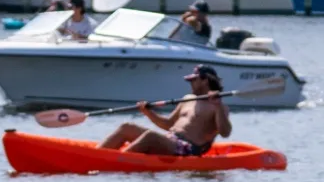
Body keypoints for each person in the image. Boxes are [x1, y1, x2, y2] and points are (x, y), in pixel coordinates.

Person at [98, 64, 232, 158]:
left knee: (150, 136)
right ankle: (96, 155)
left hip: (188, 149)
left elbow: (225, 133)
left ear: (205, 81)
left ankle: (116, 161)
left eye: (193, 80)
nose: (190, 83)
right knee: (127, 127)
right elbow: (168, 125)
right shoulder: (187, 99)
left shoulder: (219, 106)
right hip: (170, 140)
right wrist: (148, 112)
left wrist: (218, 106)